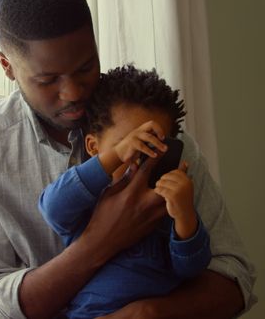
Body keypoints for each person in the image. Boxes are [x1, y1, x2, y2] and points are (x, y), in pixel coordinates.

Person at [0, 0, 256, 318]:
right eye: (48, 80)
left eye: (85, 67)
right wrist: (99, 242)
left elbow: (235, 277)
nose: (73, 92)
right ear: (6, 66)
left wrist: (148, 313)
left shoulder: (154, 132)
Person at [39, 66, 212, 318]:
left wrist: (185, 216)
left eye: (152, 146)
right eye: (129, 144)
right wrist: (115, 157)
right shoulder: (89, 199)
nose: (137, 158)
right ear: (93, 146)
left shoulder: (165, 203)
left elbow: (192, 269)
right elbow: (51, 208)